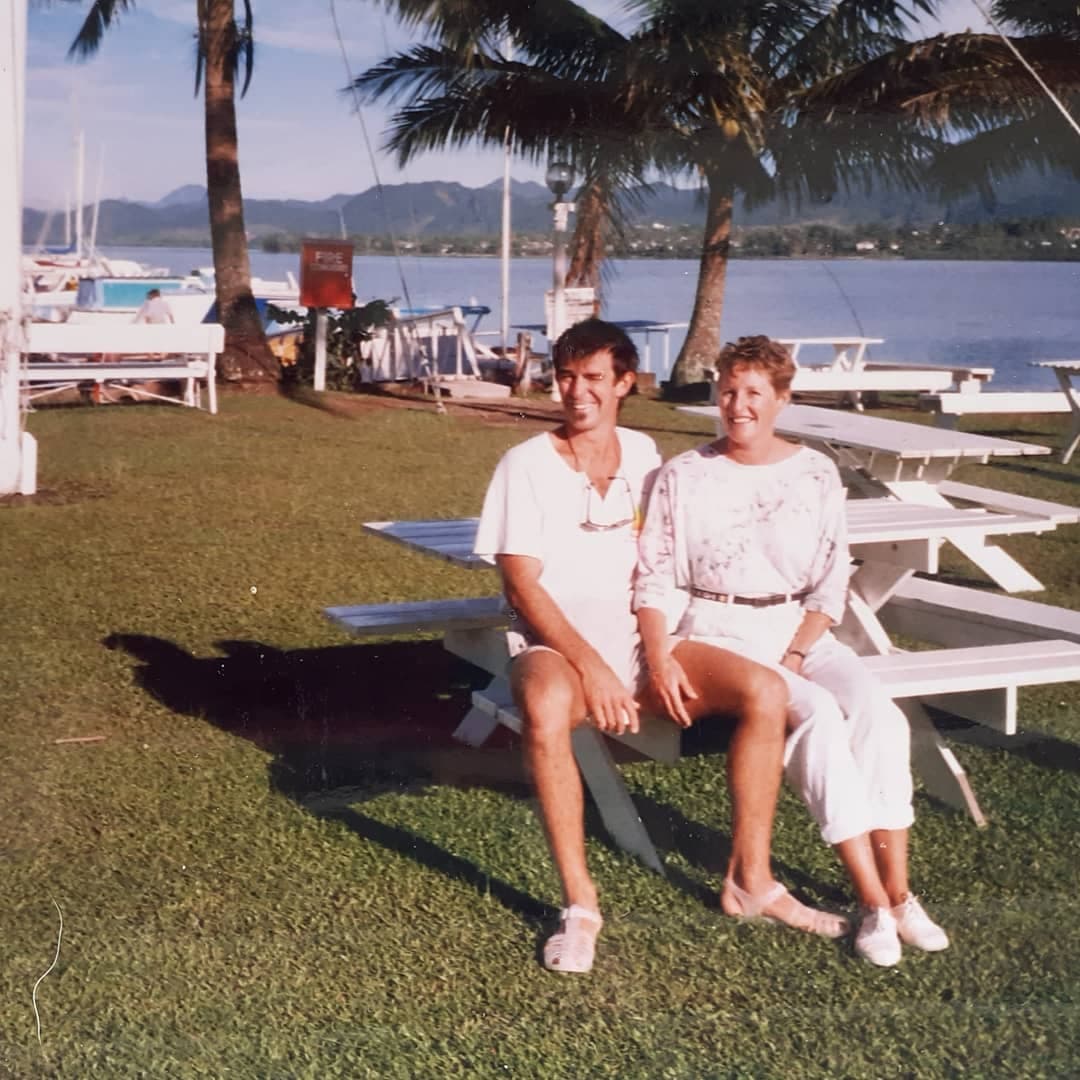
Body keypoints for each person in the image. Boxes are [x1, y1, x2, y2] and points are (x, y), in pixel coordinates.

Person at [474, 319, 848, 975]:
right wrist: (592, 669)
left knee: (766, 690)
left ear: (624, 383)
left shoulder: (649, 457)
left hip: (646, 646)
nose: (576, 392)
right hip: (557, 649)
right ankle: (581, 906)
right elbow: (522, 587)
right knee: (544, 707)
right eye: (565, 377)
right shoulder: (524, 465)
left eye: (593, 378)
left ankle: (751, 881)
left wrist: (670, 645)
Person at [635, 334, 950, 967]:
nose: (737, 404)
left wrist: (801, 651)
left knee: (880, 717)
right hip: (717, 631)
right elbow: (656, 575)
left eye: (753, 392)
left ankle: (900, 893)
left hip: (799, 633)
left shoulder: (815, 471)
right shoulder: (684, 475)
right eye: (727, 389)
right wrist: (661, 652)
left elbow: (832, 580)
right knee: (819, 718)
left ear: (782, 398)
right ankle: (874, 903)